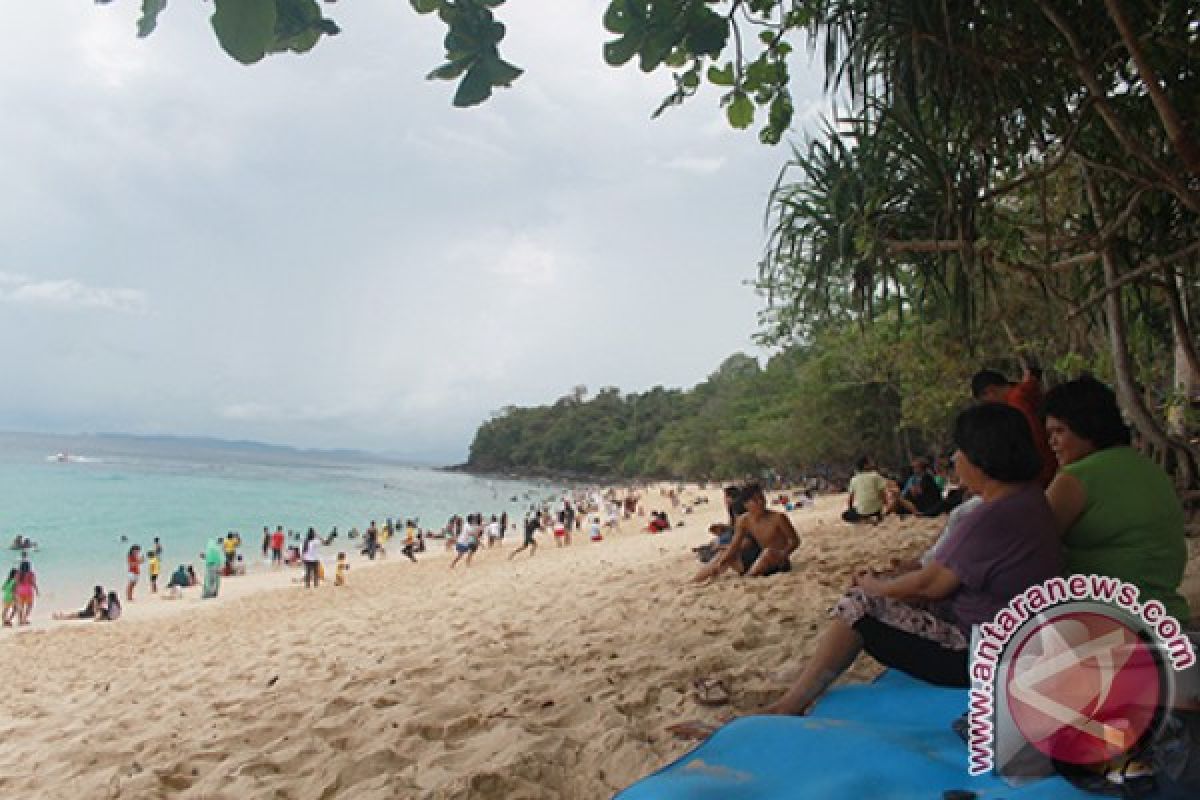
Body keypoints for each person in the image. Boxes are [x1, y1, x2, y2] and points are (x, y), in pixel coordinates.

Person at [756, 404, 1061, 719]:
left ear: (983, 456)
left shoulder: (989, 517)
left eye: (960, 450)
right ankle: (799, 691)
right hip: (1021, 640)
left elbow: (930, 585)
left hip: (983, 654)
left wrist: (874, 585)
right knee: (888, 596)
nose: (955, 459)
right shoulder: (1029, 498)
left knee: (858, 605)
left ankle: (790, 705)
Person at [1043, 376, 1190, 621]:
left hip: (1112, 622)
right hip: (1166, 614)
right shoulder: (1146, 467)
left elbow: (1029, 549)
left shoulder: (1076, 478)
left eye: (1060, 431)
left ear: (1087, 426)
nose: (1052, 443)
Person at [693, 484, 799, 581]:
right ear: (746, 504)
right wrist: (722, 561)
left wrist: (784, 554)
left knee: (768, 552)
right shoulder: (743, 520)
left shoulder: (778, 518)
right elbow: (735, 545)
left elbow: (795, 541)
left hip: (778, 561)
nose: (761, 502)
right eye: (755, 500)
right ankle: (695, 581)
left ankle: (748, 578)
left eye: (761, 498)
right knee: (723, 555)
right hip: (758, 559)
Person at [972, 366, 1057, 487]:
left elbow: (1033, 436)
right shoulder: (1023, 392)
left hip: (1048, 467)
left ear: (990, 390)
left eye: (986, 402)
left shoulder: (1016, 402)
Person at [843, 456, 887, 523]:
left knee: (845, 515)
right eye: (870, 463)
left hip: (862, 511)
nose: (872, 464)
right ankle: (876, 517)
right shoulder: (875, 475)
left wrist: (851, 510)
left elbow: (850, 499)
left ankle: (864, 519)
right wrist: (885, 505)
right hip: (877, 510)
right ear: (865, 465)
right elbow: (882, 494)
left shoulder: (854, 479)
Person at [13, 560, 38, 625]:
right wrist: (37, 590)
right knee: (29, 606)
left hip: (20, 591)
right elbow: (33, 583)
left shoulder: (18, 574)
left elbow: (16, 583)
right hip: (28, 591)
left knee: (20, 606)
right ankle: (25, 618)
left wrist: (14, 591)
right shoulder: (31, 573)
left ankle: (20, 621)